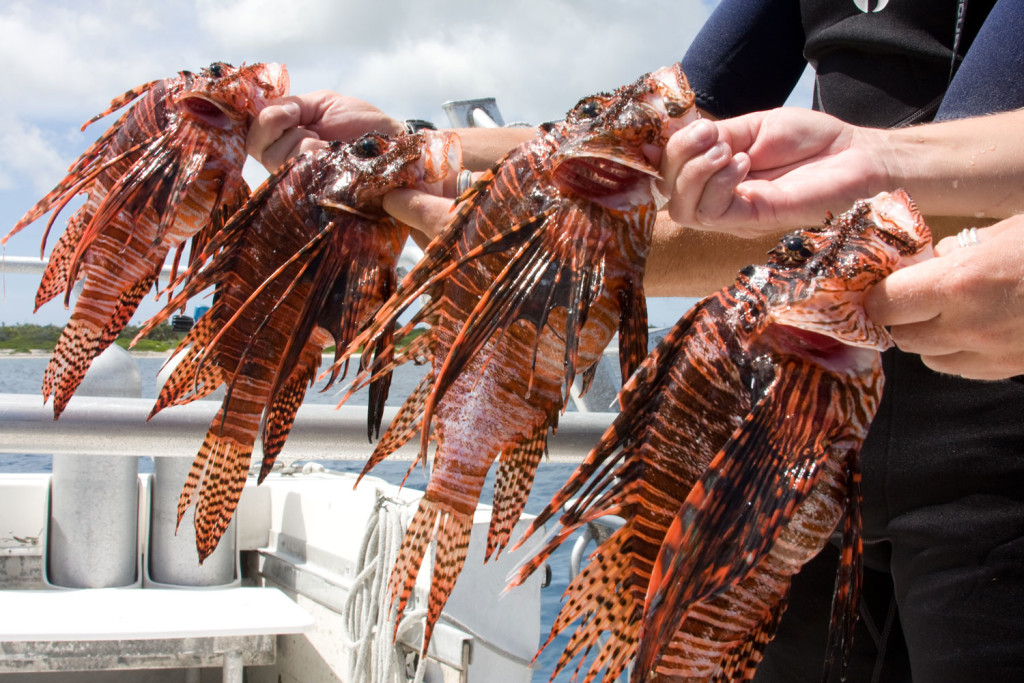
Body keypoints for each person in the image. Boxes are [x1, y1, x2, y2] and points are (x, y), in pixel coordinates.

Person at [245, 1, 1024, 679]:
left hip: (990, 466)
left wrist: (529, 236)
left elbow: (951, 198)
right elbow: (648, 136)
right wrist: (416, 149)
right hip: (774, 457)